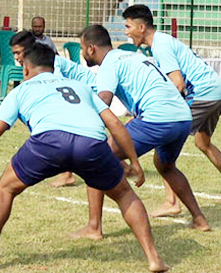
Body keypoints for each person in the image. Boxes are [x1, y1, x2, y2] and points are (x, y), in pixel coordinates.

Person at [0, 43, 169, 273]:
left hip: (49, 143)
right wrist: (134, 162)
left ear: (25, 68)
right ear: (55, 66)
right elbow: (115, 124)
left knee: (4, 189)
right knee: (125, 194)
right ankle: (153, 257)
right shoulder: (80, 87)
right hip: (91, 144)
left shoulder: (21, 89)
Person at [74, 25, 211, 239]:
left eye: (82, 48)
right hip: (182, 117)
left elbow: (104, 102)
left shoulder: (109, 63)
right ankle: (199, 219)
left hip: (157, 117)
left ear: (91, 48)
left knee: (96, 159)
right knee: (165, 166)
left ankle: (94, 227)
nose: (82, 53)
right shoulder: (131, 56)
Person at [123, 4, 221, 215]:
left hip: (202, 94)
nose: (126, 32)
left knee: (163, 147)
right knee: (203, 142)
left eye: (128, 26)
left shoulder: (160, 46)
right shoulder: (162, 41)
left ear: (141, 27)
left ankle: (172, 202)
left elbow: (178, 84)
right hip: (216, 91)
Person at [9, 30, 95, 188]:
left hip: (94, 91)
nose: (16, 58)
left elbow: (56, 89)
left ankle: (67, 175)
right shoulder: (37, 64)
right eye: (14, 53)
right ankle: (118, 165)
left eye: (18, 53)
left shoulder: (50, 64)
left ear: (28, 50)